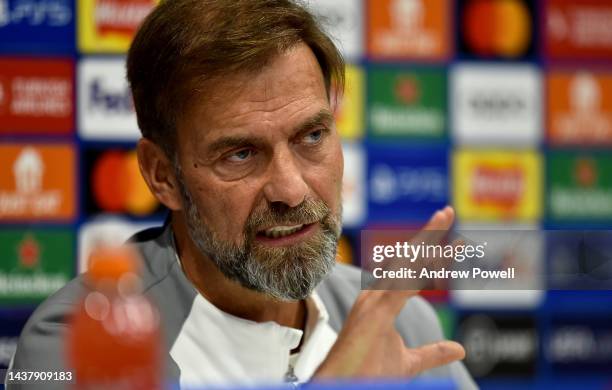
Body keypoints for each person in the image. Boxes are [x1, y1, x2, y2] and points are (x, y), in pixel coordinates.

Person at [9, 0, 477, 389]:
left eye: (311, 136)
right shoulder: (79, 345)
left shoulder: (395, 322)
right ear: (161, 175)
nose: (291, 190)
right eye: (240, 154)